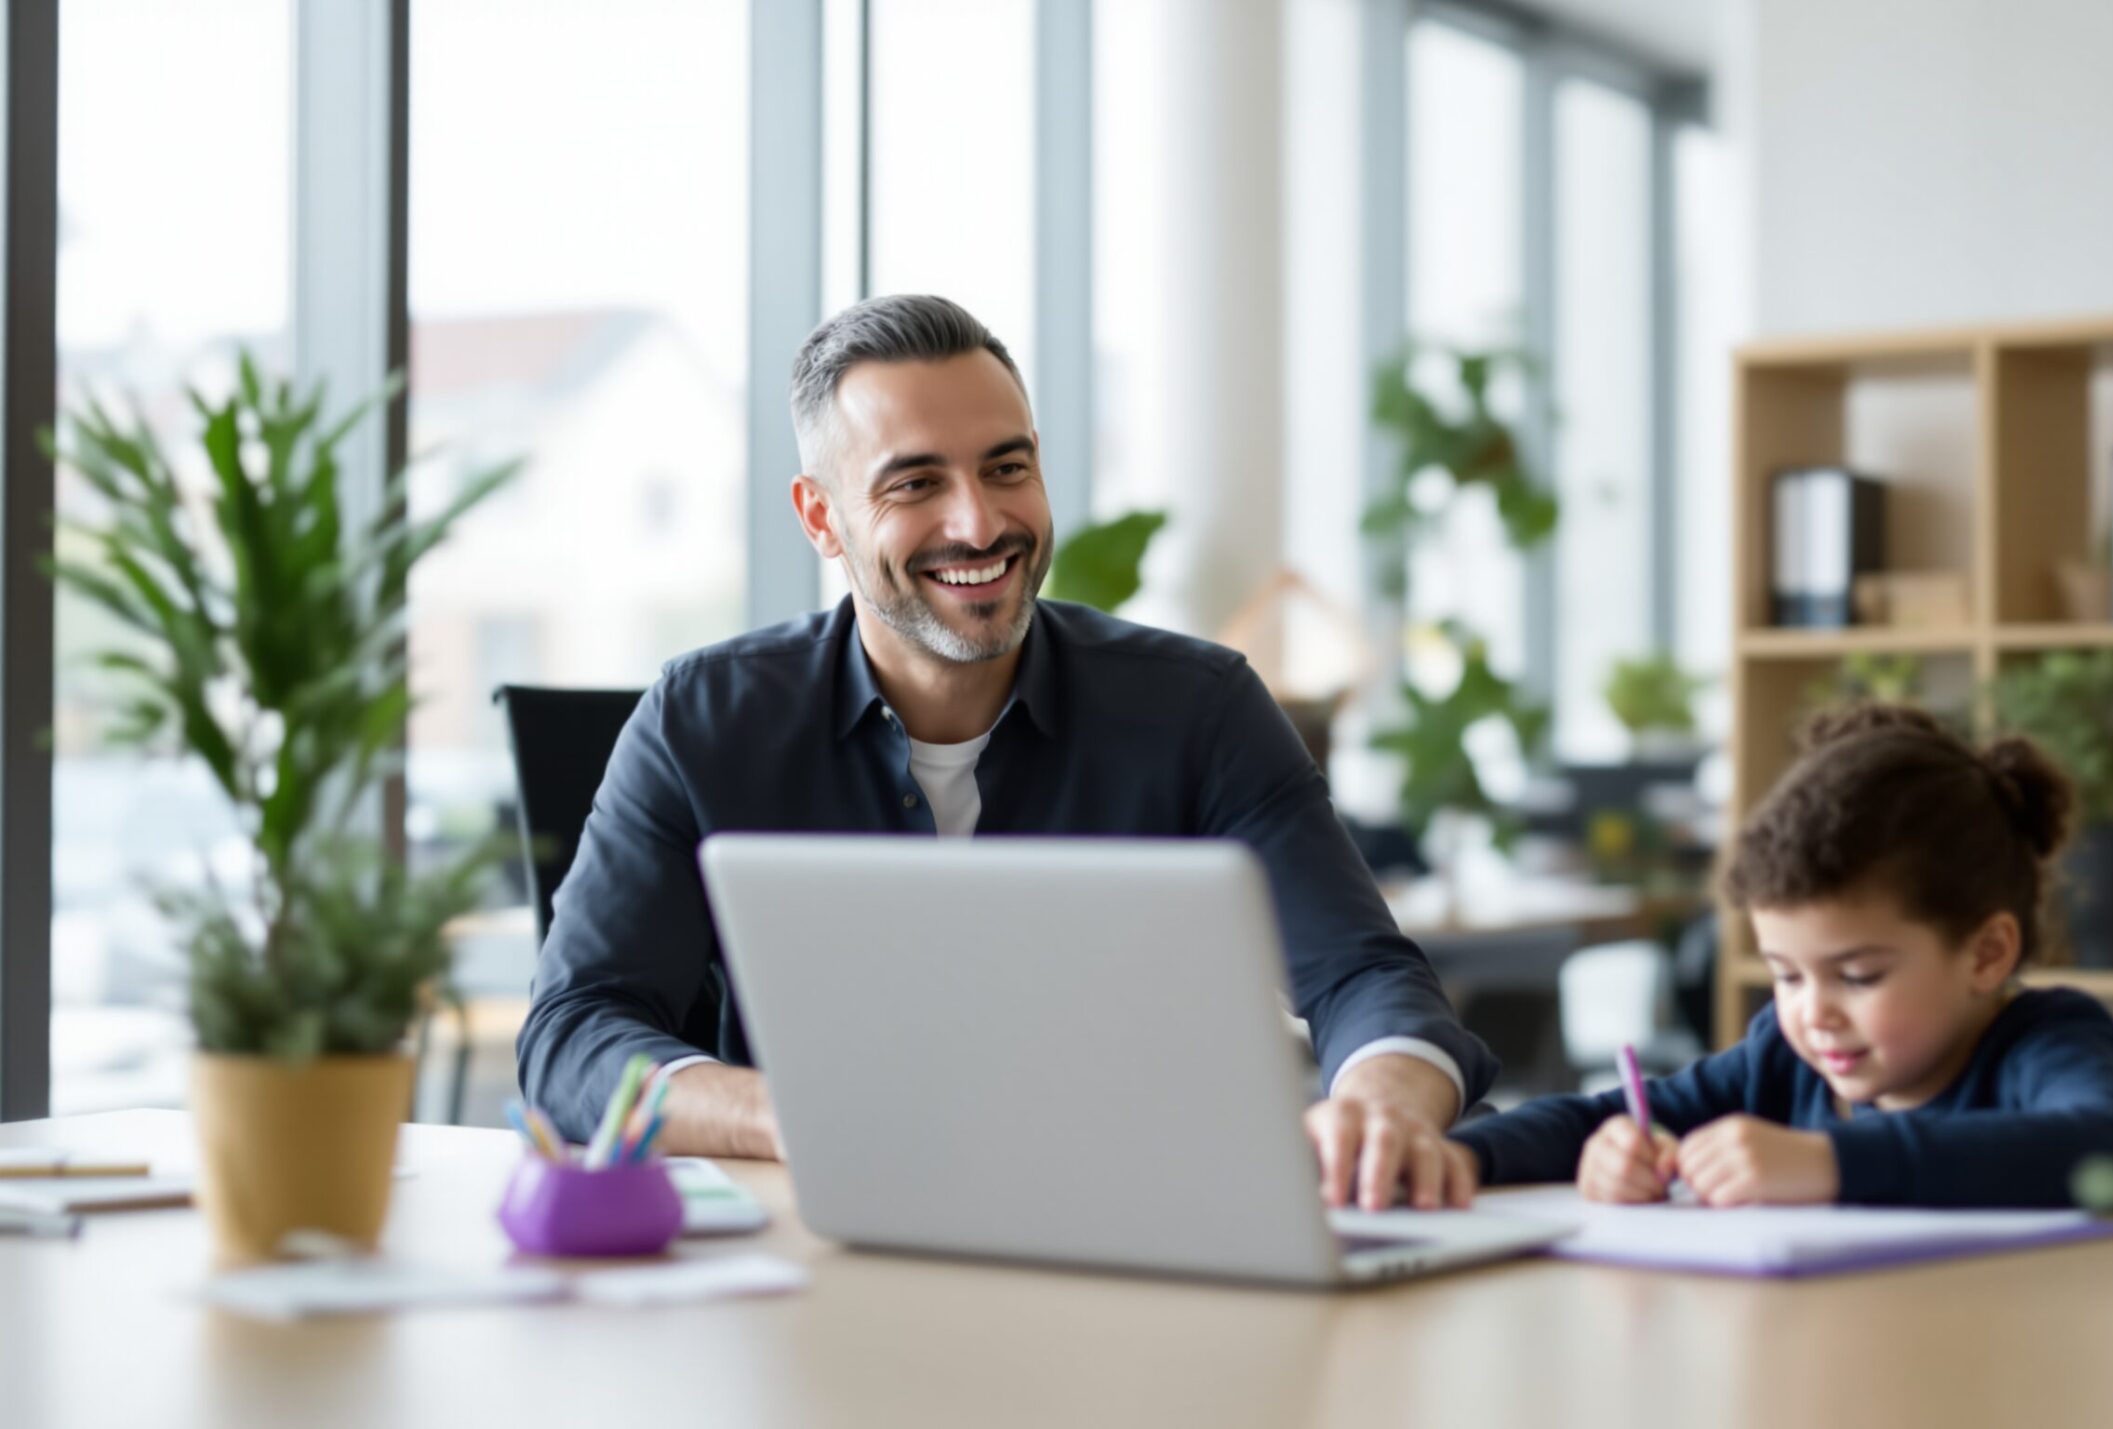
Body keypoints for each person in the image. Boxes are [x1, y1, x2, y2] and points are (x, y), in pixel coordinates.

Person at [518, 294, 1494, 1212]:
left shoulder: (1200, 709)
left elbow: (1364, 976)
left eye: (1006, 466)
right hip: (820, 1246)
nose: (978, 522)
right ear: (822, 517)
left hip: (1136, 1240)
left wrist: (1385, 1103)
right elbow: (574, 1033)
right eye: (915, 482)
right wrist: (790, 1116)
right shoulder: (701, 719)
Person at [1448, 704, 2113, 1208]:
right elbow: (1593, 1118)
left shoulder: (2047, 1041)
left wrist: (1830, 1163)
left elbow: (2107, 1147)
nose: (1812, 1011)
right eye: (1786, 974)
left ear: (1987, 953)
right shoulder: (1782, 1062)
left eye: (1857, 974)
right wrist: (1465, 1157)